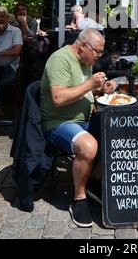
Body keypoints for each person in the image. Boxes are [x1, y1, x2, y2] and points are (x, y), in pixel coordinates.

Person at [40, 28, 117, 228]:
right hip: (59, 122)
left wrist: (100, 88)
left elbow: (84, 89)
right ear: (83, 46)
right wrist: (90, 84)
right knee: (89, 146)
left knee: (116, 133)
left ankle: (94, 180)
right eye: (98, 52)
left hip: (85, 119)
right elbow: (58, 98)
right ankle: (79, 198)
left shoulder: (85, 60)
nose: (99, 57)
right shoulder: (60, 60)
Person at [0, 6, 23, 117]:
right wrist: (6, 51)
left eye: (2, 17)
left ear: (7, 18)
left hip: (9, 67)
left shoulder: (15, 31)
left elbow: (16, 51)